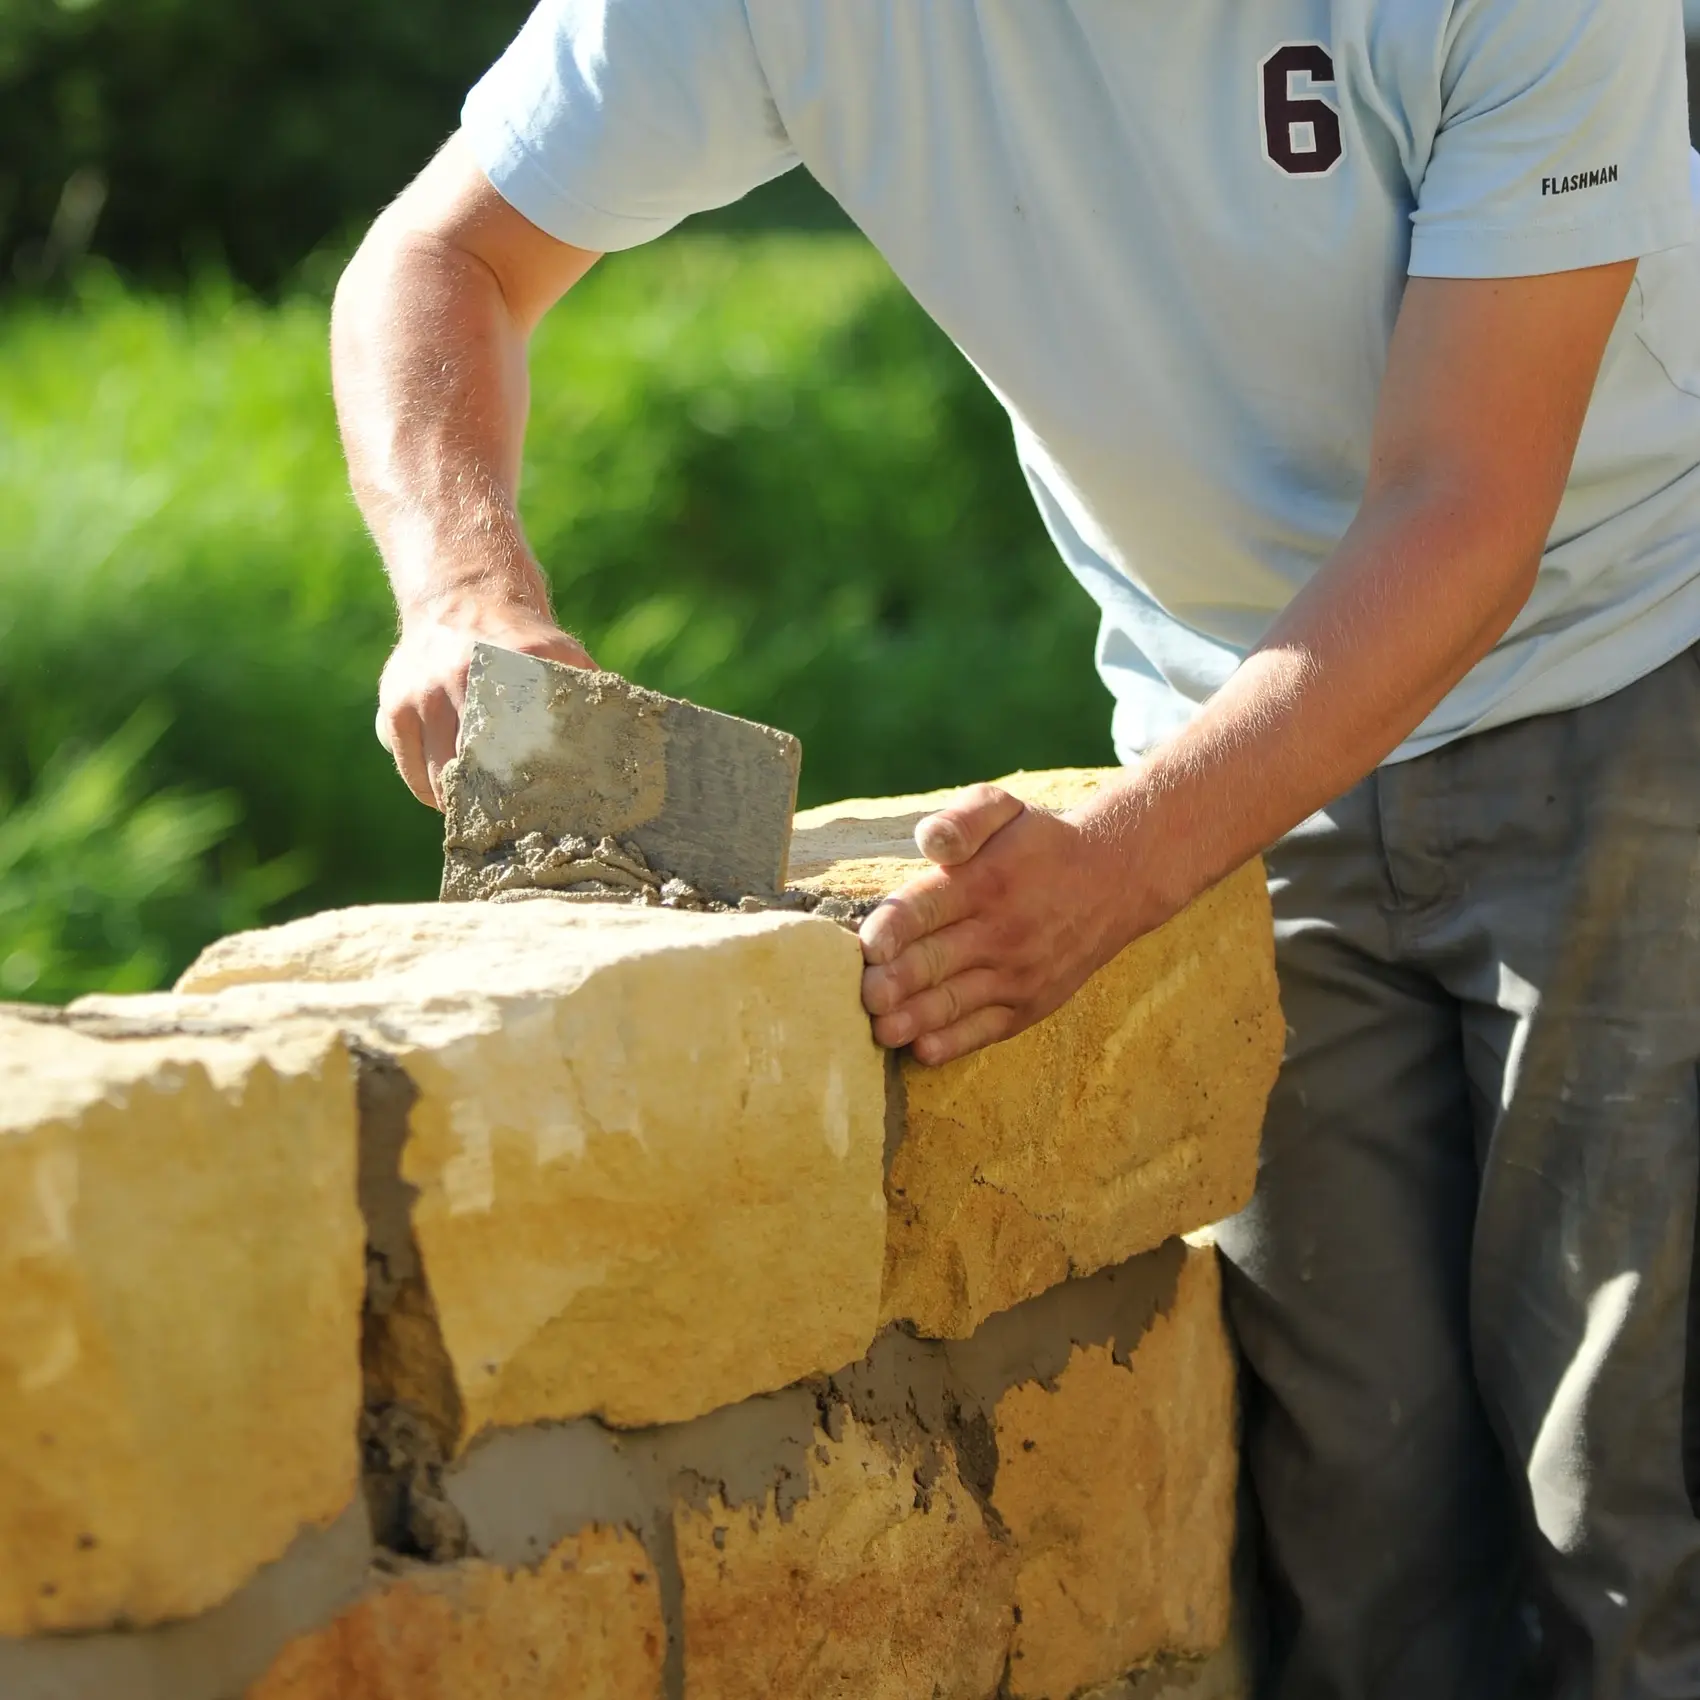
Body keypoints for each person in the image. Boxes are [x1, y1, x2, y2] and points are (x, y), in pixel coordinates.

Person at [330, 2, 1700, 1694]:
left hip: (1632, 665)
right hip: (1232, 716)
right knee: (1361, 1530)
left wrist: (1122, 866)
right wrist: (464, 592)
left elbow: (1466, 513)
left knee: (1629, 1505)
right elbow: (441, 257)